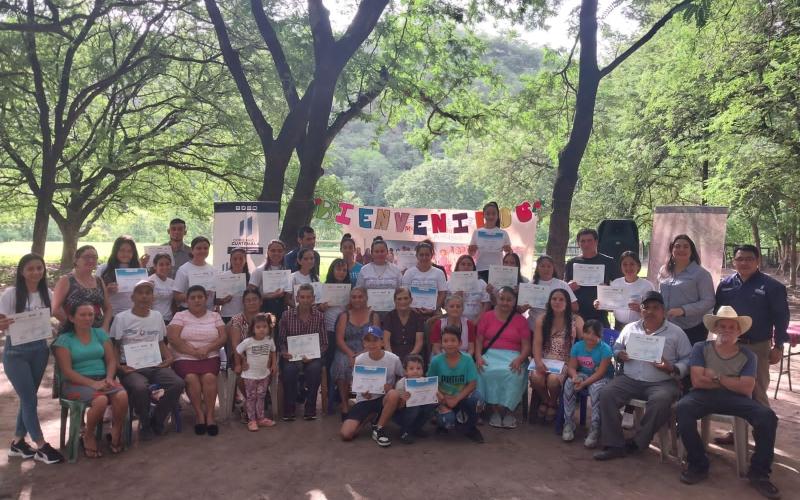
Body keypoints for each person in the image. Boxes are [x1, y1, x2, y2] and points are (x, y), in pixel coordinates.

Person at [676, 306, 780, 498]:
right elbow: (697, 380)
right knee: (682, 408)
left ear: (739, 331)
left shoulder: (749, 355)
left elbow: (747, 388)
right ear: (715, 329)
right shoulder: (701, 348)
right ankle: (698, 463)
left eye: (731, 327)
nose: (726, 330)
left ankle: (759, 473)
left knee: (767, 416)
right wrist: (732, 381)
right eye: (722, 326)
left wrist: (716, 377)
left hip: (737, 399)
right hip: (702, 395)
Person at [594, 291, 692, 460]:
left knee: (661, 400)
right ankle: (614, 444)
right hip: (630, 379)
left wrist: (672, 368)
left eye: (656, 308)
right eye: (646, 308)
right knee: (606, 394)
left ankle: (638, 442)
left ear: (663, 310)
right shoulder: (630, 328)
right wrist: (620, 354)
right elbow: (616, 348)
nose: (650, 311)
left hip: (662, 382)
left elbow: (688, 359)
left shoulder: (676, 332)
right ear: (641, 310)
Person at [0, 254, 64, 464]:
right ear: (21, 271)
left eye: (40, 268)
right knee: (30, 399)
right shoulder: (11, 293)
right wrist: (3, 324)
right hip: (15, 352)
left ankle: (18, 442)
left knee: (29, 397)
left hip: (39, 350)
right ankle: (41, 445)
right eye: (31, 269)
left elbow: (53, 317)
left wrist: (56, 326)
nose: (36, 272)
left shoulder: (47, 292)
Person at [715, 244, 789, 409]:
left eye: (749, 259)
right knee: (733, 390)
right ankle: (735, 432)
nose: (744, 263)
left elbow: (782, 318)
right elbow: (717, 315)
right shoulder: (725, 285)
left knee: (757, 392)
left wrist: (778, 346)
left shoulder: (772, 286)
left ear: (758, 261)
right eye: (740, 259)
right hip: (730, 347)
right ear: (734, 262)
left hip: (758, 346)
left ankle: (763, 432)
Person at [110, 280, 184, 441]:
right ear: (132, 297)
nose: (144, 296)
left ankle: (156, 419)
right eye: (140, 293)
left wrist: (169, 357)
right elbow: (115, 346)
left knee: (177, 383)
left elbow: (160, 342)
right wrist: (118, 367)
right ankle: (144, 422)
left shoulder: (157, 317)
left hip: (155, 365)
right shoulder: (121, 318)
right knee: (139, 387)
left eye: (148, 293)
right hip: (130, 368)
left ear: (153, 298)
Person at [53, 303, 129, 457]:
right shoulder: (64, 340)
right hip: (75, 383)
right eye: (82, 315)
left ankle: (116, 432)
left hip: (102, 379)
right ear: (71, 318)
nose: (88, 318)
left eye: (90, 315)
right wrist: (93, 384)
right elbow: (66, 371)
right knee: (100, 400)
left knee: (122, 396)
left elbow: (111, 360)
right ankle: (88, 435)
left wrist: (108, 378)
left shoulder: (100, 334)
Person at [167, 285, 227, 436]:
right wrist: (193, 352)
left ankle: (210, 416)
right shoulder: (180, 316)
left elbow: (223, 337)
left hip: (210, 356)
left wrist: (206, 349)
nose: (197, 300)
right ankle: (200, 415)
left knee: (209, 378)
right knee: (191, 378)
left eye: (200, 297)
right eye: (193, 298)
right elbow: (173, 338)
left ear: (206, 299)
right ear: (187, 301)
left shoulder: (215, 316)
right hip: (184, 357)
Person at [475, 286, 531, 429]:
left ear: (514, 302)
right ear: (496, 299)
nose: (505, 302)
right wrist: (478, 357)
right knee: (484, 371)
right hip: (490, 354)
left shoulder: (520, 320)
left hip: (513, 355)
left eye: (509, 300)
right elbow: (479, 340)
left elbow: (526, 345)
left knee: (513, 373)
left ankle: (508, 411)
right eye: (502, 299)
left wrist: (520, 359)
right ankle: (494, 411)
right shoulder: (487, 316)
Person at [339, 326, 404, 447]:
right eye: (367, 340)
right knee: (346, 434)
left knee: (394, 394)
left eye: (375, 340)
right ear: (363, 343)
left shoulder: (393, 359)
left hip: (385, 399)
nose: (372, 344)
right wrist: (362, 392)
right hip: (365, 399)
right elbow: (355, 383)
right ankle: (372, 416)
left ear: (382, 342)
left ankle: (379, 428)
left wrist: (393, 387)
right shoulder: (359, 360)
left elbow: (402, 377)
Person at [531, 289, 583, 423]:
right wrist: (537, 362)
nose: (557, 302)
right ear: (549, 301)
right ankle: (547, 401)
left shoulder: (576, 320)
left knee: (553, 380)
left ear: (567, 302)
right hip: (544, 359)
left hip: (565, 361)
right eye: (554, 299)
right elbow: (537, 343)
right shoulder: (542, 319)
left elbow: (584, 343)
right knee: (536, 378)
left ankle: (552, 402)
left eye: (561, 299)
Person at [277, 284, 327, 421]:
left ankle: (310, 408)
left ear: (313, 299)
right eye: (302, 297)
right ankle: (289, 407)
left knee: (315, 369)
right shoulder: (286, 315)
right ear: (297, 298)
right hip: (292, 356)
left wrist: (313, 356)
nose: (305, 300)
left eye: (308, 297)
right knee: (289, 370)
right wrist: (284, 352)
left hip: (313, 357)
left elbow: (324, 343)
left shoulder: (320, 317)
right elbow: (281, 340)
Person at [428, 327, 484, 443]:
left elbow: (472, 383)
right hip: (443, 398)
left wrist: (457, 398)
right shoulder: (436, 361)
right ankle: (442, 423)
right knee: (447, 421)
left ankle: (471, 427)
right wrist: (443, 399)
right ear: (441, 344)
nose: (449, 344)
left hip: (461, 396)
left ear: (460, 343)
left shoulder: (467, 360)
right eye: (446, 341)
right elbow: (430, 383)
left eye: (453, 340)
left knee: (478, 399)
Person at [562, 319, 613, 448]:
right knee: (569, 383)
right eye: (587, 333)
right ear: (583, 333)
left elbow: (600, 373)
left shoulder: (605, 350)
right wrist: (575, 377)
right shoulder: (578, 346)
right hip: (584, 374)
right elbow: (572, 367)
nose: (591, 337)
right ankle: (568, 423)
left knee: (596, 389)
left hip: (602, 378)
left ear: (600, 336)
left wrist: (584, 384)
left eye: (595, 334)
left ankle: (595, 428)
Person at [657, 234, 715, 345]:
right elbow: (660, 293)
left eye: (685, 246)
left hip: (692, 329)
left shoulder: (701, 274)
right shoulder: (663, 271)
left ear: (691, 250)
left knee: (689, 361)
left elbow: (709, 301)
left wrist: (683, 310)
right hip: (666, 326)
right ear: (672, 249)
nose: (681, 249)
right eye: (677, 246)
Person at [331, 287, 381, 415]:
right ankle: (344, 404)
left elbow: (376, 339)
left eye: (360, 296)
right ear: (350, 299)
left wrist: (361, 353)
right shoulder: (344, 315)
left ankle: (366, 402)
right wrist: (350, 354)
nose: (357, 299)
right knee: (341, 363)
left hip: (368, 348)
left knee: (368, 361)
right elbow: (339, 339)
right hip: (346, 349)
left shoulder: (373, 315)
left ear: (366, 298)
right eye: (354, 297)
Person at [565, 228, 621, 328]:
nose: (586, 244)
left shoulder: (608, 262)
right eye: (583, 241)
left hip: (600, 313)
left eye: (589, 240)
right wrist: (568, 287)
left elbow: (620, 284)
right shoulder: (572, 263)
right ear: (578, 243)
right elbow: (564, 288)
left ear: (596, 242)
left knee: (601, 343)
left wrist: (608, 289)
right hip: (577, 313)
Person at [52, 245, 111, 331]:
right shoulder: (66, 280)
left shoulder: (99, 281)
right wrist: (75, 328)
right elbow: (56, 310)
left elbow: (108, 307)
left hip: (98, 331)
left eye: (94, 257)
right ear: (76, 260)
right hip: (73, 333)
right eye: (86, 257)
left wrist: (105, 326)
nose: (91, 260)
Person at [235, 313, 277, 431]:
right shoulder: (248, 341)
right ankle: (252, 420)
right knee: (251, 397)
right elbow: (238, 351)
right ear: (252, 329)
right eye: (258, 327)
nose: (261, 329)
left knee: (261, 396)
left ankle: (261, 418)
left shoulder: (269, 340)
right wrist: (240, 363)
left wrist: (274, 364)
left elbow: (273, 352)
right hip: (250, 376)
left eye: (264, 326)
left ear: (268, 327)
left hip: (264, 374)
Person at [595, 251, 654, 331]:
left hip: (640, 327)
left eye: (632, 264)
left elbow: (653, 310)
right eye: (625, 264)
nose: (628, 268)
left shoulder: (647, 286)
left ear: (638, 266)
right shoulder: (616, 283)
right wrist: (600, 304)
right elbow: (611, 307)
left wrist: (640, 309)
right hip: (619, 327)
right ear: (621, 267)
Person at [322, 259, 351, 412]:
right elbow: (318, 309)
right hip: (328, 330)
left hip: (344, 330)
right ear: (332, 270)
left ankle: (341, 396)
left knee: (341, 362)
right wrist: (321, 307)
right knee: (329, 363)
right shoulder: (323, 287)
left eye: (344, 270)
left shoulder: (350, 289)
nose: (341, 272)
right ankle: (329, 397)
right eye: (338, 269)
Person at [392, 354, 437, 444]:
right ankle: (404, 431)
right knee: (414, 407)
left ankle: (416, 428)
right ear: (405, 371)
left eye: (418, 368)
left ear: (423, 370)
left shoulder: (425, 382)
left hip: (418, 410)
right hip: (402, 414)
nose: (415, 371)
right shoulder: (401, 384)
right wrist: (404, 400)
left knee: (431, 406)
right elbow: (397, 408)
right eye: (411, 369)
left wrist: (435, 396)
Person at [98, 235, 144, 319]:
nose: (125, 254)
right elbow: (95, 295)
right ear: (115, 251)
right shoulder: (104, 268)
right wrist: (107, 291)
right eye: (122, 250)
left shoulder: (139, 269)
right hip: (111, 316)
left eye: (129, 251)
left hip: (134, 315)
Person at [401, 240, 448, 319]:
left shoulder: (439, 273)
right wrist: (412, 307)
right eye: (421, 255)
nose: (424, 257)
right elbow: (405, 293)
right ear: (417, 256)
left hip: (433, 313)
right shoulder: (409, 273)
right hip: (412, 312)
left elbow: (442, 293)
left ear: (431, 255)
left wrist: (434, 308)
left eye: (427, 255)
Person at [355, 237, 403, 313]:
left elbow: (401, 290)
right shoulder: (364, 270)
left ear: (387, 252)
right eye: (376, 251)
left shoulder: (395, 270)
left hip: (392, 312)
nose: (379, 254)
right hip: (369, 311)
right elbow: (359, 291)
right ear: (372, 253)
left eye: (382, 251)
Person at [527, 254, 577, 325]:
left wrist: (557, 305)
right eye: (542, 266)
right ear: (537, 268)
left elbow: (575, 307)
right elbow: (520, 309)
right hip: (533, 326)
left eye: (549, 266)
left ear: (553, 268)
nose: (546, 269)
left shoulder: (562, 285)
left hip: (556, 328)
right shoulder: (529, 285)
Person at [469, 201, 512, 282]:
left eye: (494, 214)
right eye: (488, 214)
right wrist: (471, 250)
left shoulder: (503, 233)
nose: (491, 216)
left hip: (497, 270)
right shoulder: (477, 232)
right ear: (484, 215)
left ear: (497, 215)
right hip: (480, 269)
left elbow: (509, 254)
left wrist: (508, 250)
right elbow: (471, 254)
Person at [382, 287, 426, 363]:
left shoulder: (418, 318)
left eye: (406, 298)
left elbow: (419, 342)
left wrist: (409, 358)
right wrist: (392, 358)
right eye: (399, 299)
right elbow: (386, 341)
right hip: (393, 355)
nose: (403, 301)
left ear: (411, 300)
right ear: (395, 301)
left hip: (414, 356)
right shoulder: (389, 317)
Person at [249, 239, 290, 319]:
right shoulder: (259, 270)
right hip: (264, 310)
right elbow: (250, 294)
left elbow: (287, 296)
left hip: (282, 310)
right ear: (268, 252)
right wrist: (271, 296)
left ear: (284, 252)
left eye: (279, 251)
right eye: (273, 250)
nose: (276, 253)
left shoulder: (286, 271)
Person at [173, 236, 216, 311]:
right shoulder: (183, 269)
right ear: (192, 250)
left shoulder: (213, 270)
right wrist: (197, 296)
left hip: (209, 312)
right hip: (188, 312)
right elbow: (177, 295)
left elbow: (215, 295)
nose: (202, 251)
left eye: (205, 248)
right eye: (199, 248)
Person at [448, 255, 490, 323]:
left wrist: (477, 320)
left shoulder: (481, 283)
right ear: (458, 266)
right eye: (463, 264)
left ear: (473, 267)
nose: (466, 267)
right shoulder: (449, 283)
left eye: (469, 264)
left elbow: (487, 304)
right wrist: (454, 297)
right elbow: (444, 305)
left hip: (476, 321)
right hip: (455, 322)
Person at [218, 247, 250, 324]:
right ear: (230, 260)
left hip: (244, 316)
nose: (238, 261)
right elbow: (216, 301)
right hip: (226, 315)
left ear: (245, 260)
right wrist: (223, 300)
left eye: (241, 259)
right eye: (235, 259)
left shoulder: (250, 277)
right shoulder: (223, 277)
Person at [148, 253, 175, 324]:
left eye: (167, 264)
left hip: (168, 319)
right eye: (161, 264)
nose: (165, 267)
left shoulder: (172, 282)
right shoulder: (150, 281)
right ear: (154, 266)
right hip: (153, 319)